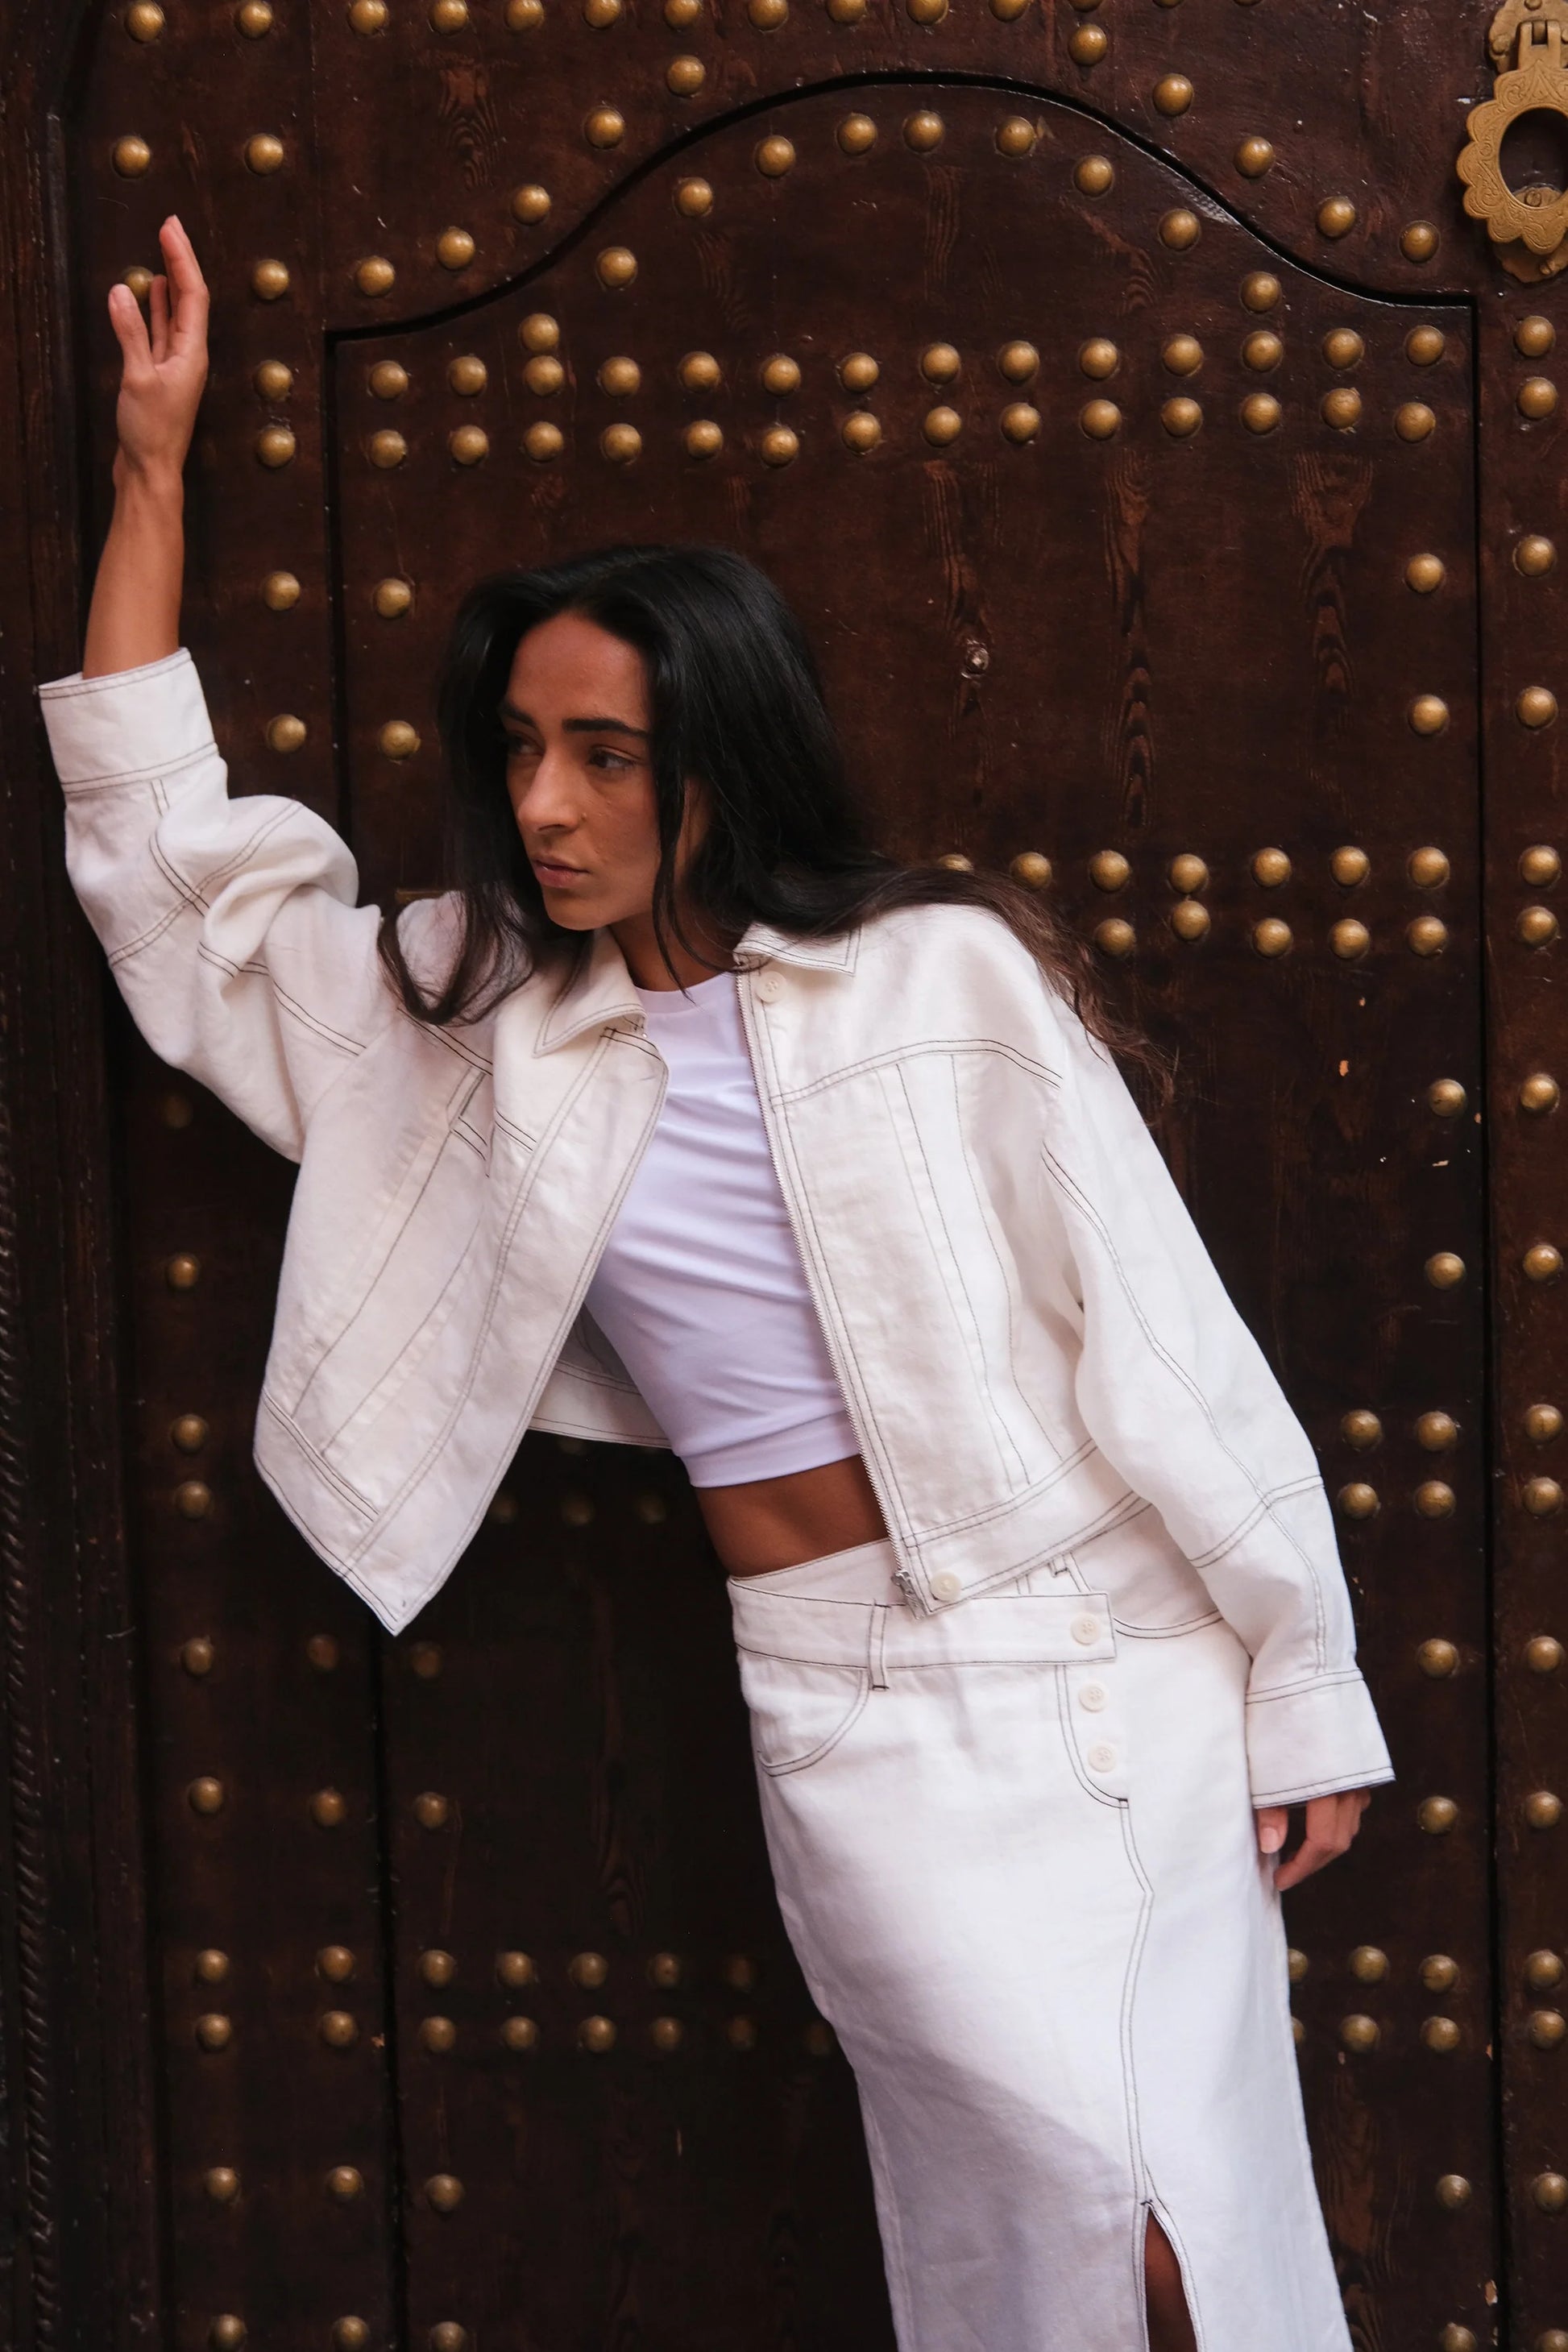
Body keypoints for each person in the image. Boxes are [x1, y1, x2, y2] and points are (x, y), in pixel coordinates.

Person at [39, 214, 1393, 2352]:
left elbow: (1165, 1339)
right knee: (1043, 2225)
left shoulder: (935, 977)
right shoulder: (473, 1023)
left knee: (1185, 2238)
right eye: (518, 749)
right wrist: (148, 470)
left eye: (605, 754)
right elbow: (175, 895)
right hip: (846, 1703)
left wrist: (1301, 1677)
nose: (544, 804)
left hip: (1108, 1665)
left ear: (718, 761)